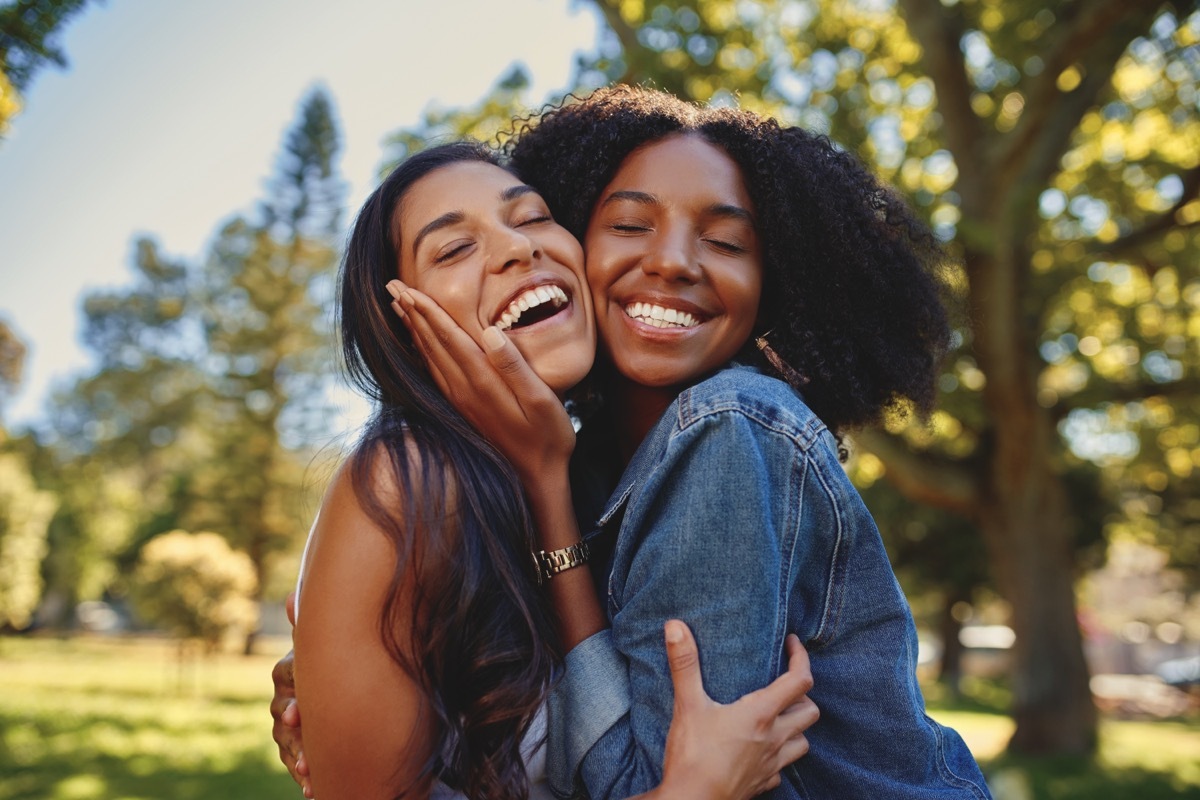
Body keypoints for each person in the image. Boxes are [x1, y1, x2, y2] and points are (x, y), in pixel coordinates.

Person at [392, 85, 993, 799]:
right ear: (569, 246)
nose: (675, 261)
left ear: (770, 285)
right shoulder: (576, 459)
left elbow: (640, 784)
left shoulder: (728, 427)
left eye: (725, 241)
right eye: (629, 225)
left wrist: (546, 494)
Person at [281, 139, 820, 800]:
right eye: (453, 248)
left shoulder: (586, 477)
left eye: (533, 217)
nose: (517, 248)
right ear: (404, 332)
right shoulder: (405, 480)